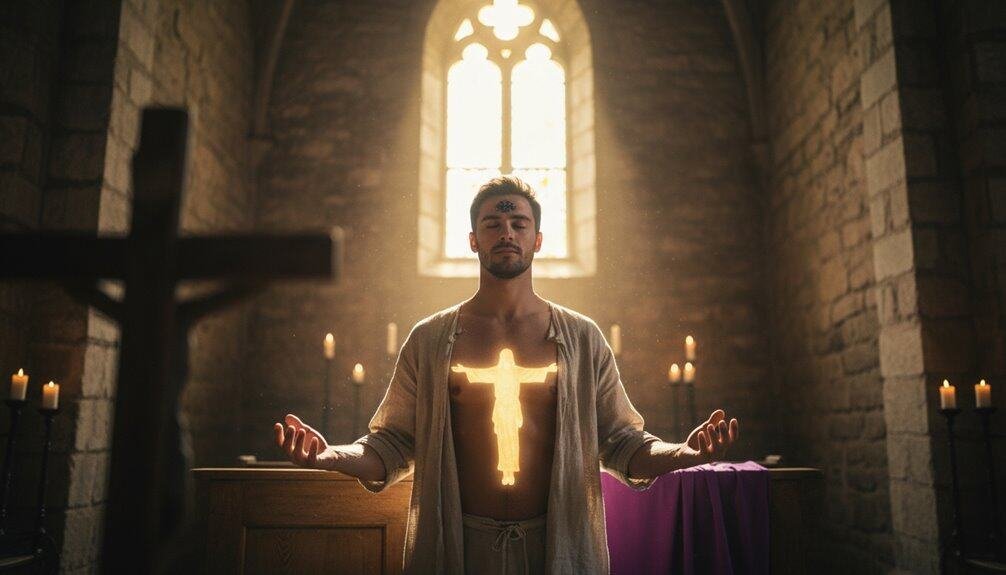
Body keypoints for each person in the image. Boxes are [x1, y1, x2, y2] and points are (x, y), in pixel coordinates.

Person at [274, 176, 739, 574]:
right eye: (492, 225)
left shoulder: (581, 338)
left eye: (519, 224)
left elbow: (622, 444)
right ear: (473, 240)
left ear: (537, 239)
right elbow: (390, 446)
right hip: (458, 547)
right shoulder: (432, 340)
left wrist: (684, 452)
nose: (506, 234)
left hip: (557, 546)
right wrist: (328, 457)